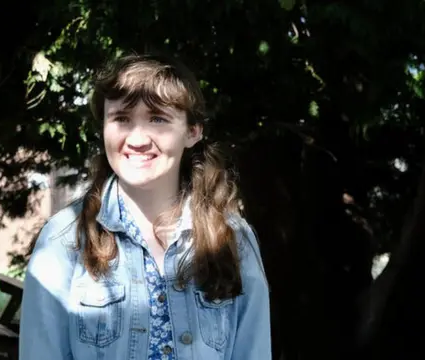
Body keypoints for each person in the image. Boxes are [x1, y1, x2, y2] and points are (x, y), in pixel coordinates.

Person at [19, 53, 271, 360]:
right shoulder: (63, 240)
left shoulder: (233, 238)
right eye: (122, 118)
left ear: (193, 131)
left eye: (158, 119)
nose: (137, 138)